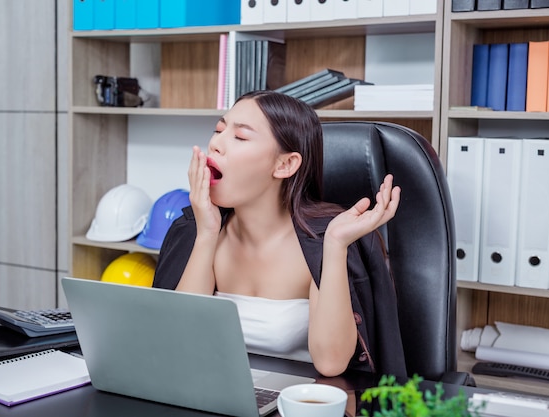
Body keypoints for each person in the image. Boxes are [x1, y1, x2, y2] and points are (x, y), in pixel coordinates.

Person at [153, 90, 407, 378]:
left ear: (285, 164)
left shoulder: (322, 241)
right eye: (218, 130)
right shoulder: (193, 230)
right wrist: (207, 234)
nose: (215, 144)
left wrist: (335, 247)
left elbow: (331, 363)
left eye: (240, 137)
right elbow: (178, 346)